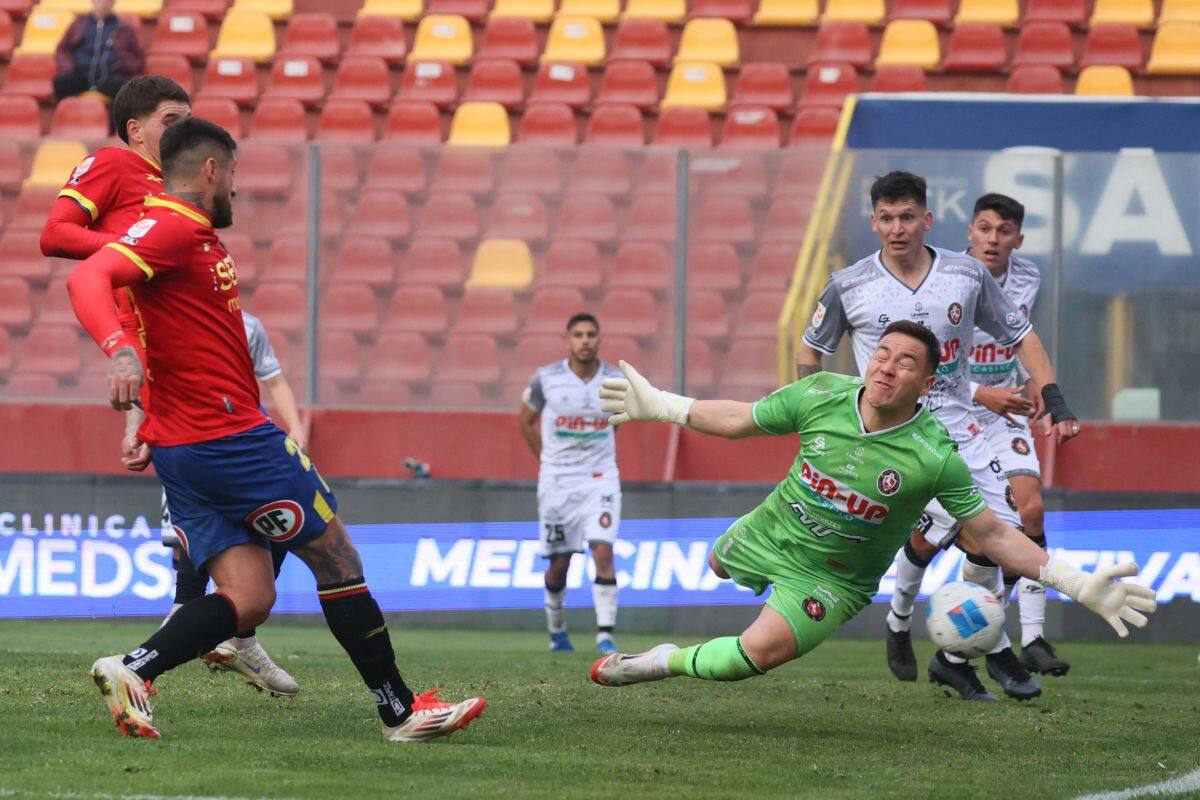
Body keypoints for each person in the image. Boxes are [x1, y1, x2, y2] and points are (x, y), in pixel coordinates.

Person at [67, 118, 486, 741]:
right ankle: (400, 710)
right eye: (232, 174)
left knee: (250, 594)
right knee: (337, 557)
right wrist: (119, 350)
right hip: (231, 439)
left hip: (186, 446)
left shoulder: (179, 231)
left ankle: (134, 669)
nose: (235, 189)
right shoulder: (174, 226)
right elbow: (86, 276)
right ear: (211, 170)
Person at [588, 324, 1155, 696]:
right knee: (716, 565)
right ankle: (739, 557)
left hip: (832, 581)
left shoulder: (934, 456)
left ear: (927, 383)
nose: (886, 367)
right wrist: (663, 404)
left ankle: (656, 661)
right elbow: (740, 418)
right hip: (770, 529)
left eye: (905, 362)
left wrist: (1073, 581)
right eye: (881, 354)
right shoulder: (821, 395)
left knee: (751, 658)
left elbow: (993, 534)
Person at [40, 75, 297, 695]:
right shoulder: (113, 163)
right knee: (247, 490)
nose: (181, 128)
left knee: (249, 493)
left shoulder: (178, 184)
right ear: (135, 129)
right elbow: (54, 234)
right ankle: (191, 635)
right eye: (169, 118)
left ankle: (231, 630)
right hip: (148, 347)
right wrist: (133, 249)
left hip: (175, 341)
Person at [794, 171, 1080, 701]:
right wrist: (821, 416)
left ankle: (962, 653)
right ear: (873, 222)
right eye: (886, 218)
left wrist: (1055, 398)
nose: (897, 228)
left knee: (1003, 533)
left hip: (959, 430)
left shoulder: (966, 275)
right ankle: (918, 630)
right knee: (912, 544)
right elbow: (809, 351)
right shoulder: (849, 284)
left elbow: (1022, 335)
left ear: (927, 220)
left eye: (907, 217)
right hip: (888, 439)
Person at [159, 310, 307, 697]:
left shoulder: (248, 326)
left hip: (243, 443)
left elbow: (274, 380)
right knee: (193, 555)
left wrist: (297, 428)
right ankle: (147, 660)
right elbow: (148, 383)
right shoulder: (168, 319)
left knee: (278, 524)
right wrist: (136, 432)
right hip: (190, 443)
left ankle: (241, 639)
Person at [961, 193, 1069, 677]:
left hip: (1008, 412)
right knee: (964, 538)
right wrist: (983, 392)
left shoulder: (1028, 277)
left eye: (1003, 231)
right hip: (955, 411)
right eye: (984, 229)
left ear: (1017, 239)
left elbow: (1022, 336)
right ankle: (903, 628)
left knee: (1031, 510)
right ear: (970, 233)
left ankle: (1035, 638)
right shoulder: (947, 278)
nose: (993, 239)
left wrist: (1031, 379)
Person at [519, 313, 624, 655]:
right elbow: (526, 421)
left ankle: (605, 637)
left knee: (603, 549)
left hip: (600, 478)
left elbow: (617, 422)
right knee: (559, 563)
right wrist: (548, 461)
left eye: (591, 334)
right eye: (578, 334)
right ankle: (557, 630)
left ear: (599, 338)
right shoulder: (546, 378)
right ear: (568, 339)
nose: (585, 340)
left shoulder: (615, 378)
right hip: (558, 481)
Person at [52, 0, 144, 104]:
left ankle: (114, 121)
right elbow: (62, 49)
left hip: (109, 76)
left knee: (124, 90)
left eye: (107, 1)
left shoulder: (124, 29)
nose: (103, 4)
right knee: (61, 81)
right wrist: (68, 68)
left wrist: (121, 66)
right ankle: (66, 118)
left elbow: (138, 59)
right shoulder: (79, 23)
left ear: (113, 2)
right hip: (80, 74)